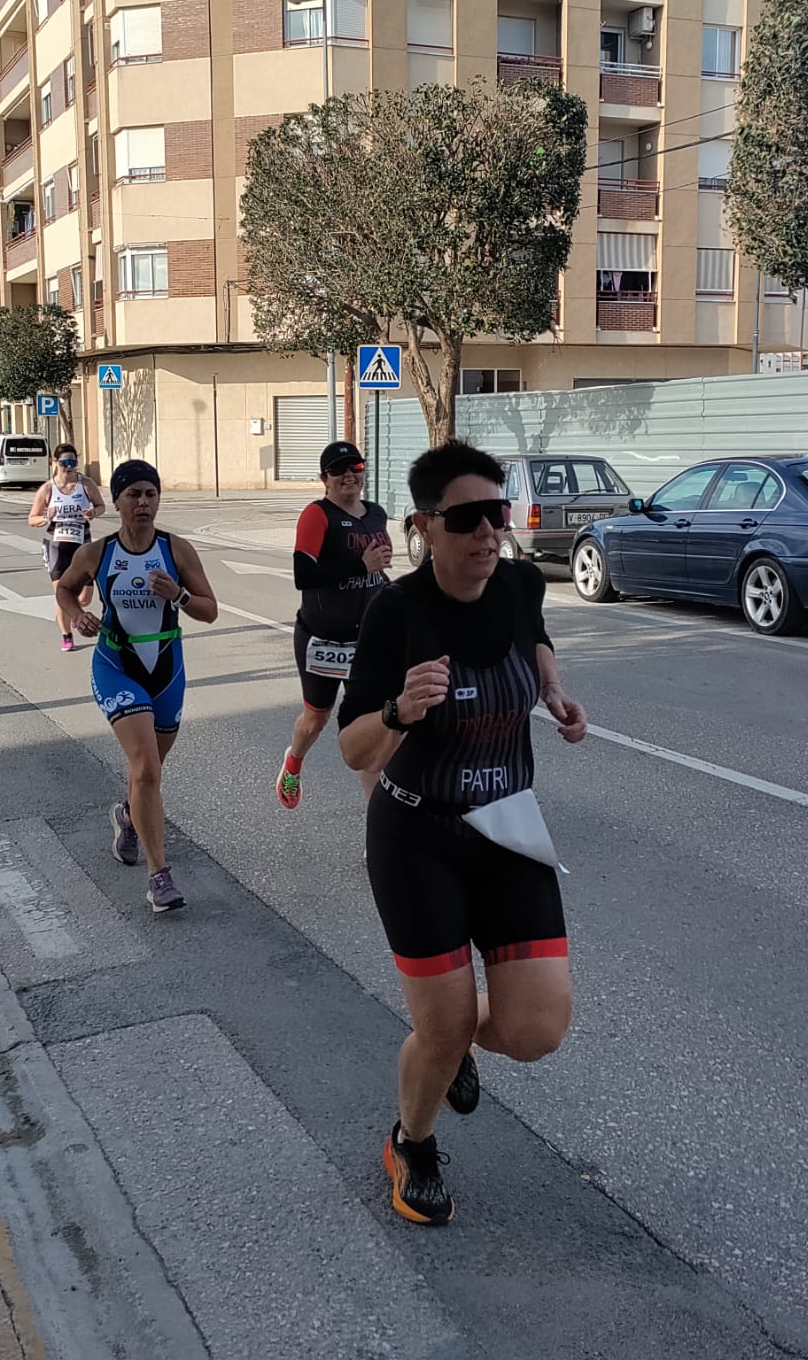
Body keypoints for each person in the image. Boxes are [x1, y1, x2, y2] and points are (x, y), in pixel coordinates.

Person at [338, 441, 590, 1227]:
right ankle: (411, 1142)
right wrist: (397, 712)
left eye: (499, 514)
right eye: (468, 518)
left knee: (536, 1027)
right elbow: (351, 747)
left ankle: (455, 1045)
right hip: (417, 835)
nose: (489, 532)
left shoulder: (516, 581)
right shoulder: (397, 612)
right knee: (440, 1022)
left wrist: (550, 684)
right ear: (425, 527)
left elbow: (533, 630)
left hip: (507, 827)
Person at [56, 459, 218, 914]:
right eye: (133, 495)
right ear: (119, 502)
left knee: (151, 771)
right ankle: (159, 877)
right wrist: (79, 616)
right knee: (145, 766)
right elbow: (64, 588)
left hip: (167, 668)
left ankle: (129, 815)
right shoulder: (97, 553)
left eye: (150, 494)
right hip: (116, 663)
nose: (143, 503)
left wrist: (180, 596)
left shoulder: (176, 550)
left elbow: (210, 610)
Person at [279, 440, 393, 810]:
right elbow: (303, 575)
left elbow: (378, 571)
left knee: (370, 731)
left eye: (355, 468)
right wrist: (361, 567)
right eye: (338, 470)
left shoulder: (375, 514)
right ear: (324, 479)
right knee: (316, 718)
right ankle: (294, 760)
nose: (348, 476)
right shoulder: (317, 514)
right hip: (322, 638)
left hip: (368, 640)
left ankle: (378, 830)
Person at [29, 443, 105, 653]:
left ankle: (74, 613)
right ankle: (66, 635)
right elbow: (32, 518)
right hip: (57, 545)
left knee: (85, 598)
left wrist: (93, 513)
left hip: (82, 543)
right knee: (63, 593)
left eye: (73, 462)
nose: (69, 467)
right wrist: (46, 518)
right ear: (55, 463)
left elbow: (101, 506)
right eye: (65, 463)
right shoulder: (48, 489)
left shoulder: (86, 484)